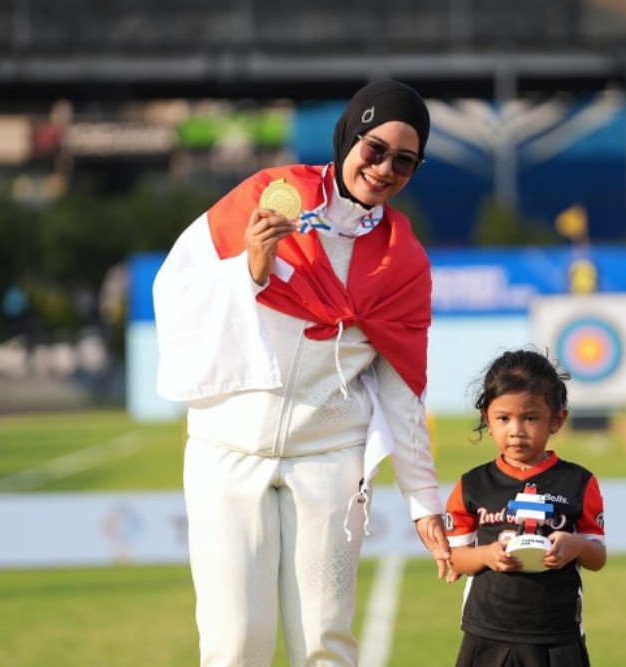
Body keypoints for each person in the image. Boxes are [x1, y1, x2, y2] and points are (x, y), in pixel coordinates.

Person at [152, 79, 451, 666]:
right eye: (375, 149)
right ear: (349, 136)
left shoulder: (405, 262)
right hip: (226, 454)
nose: (384, 169)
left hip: (330, 463)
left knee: (324, 646)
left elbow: (402, 390)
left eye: (405, 161)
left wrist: (424, 500)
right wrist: (250, 270)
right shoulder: (268, 194)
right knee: (235, 643)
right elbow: (176, 291)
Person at [444, 349, 607, 667]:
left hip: (557, 636)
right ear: (487, 419)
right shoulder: (472, 484)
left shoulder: (578, 482)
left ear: (556, 420)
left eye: (530, 418)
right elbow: (457, 558)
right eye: (503, 418)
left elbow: (598, 557)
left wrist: (575, 545)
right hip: (488, 634)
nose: (516, 430)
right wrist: (487, 555)